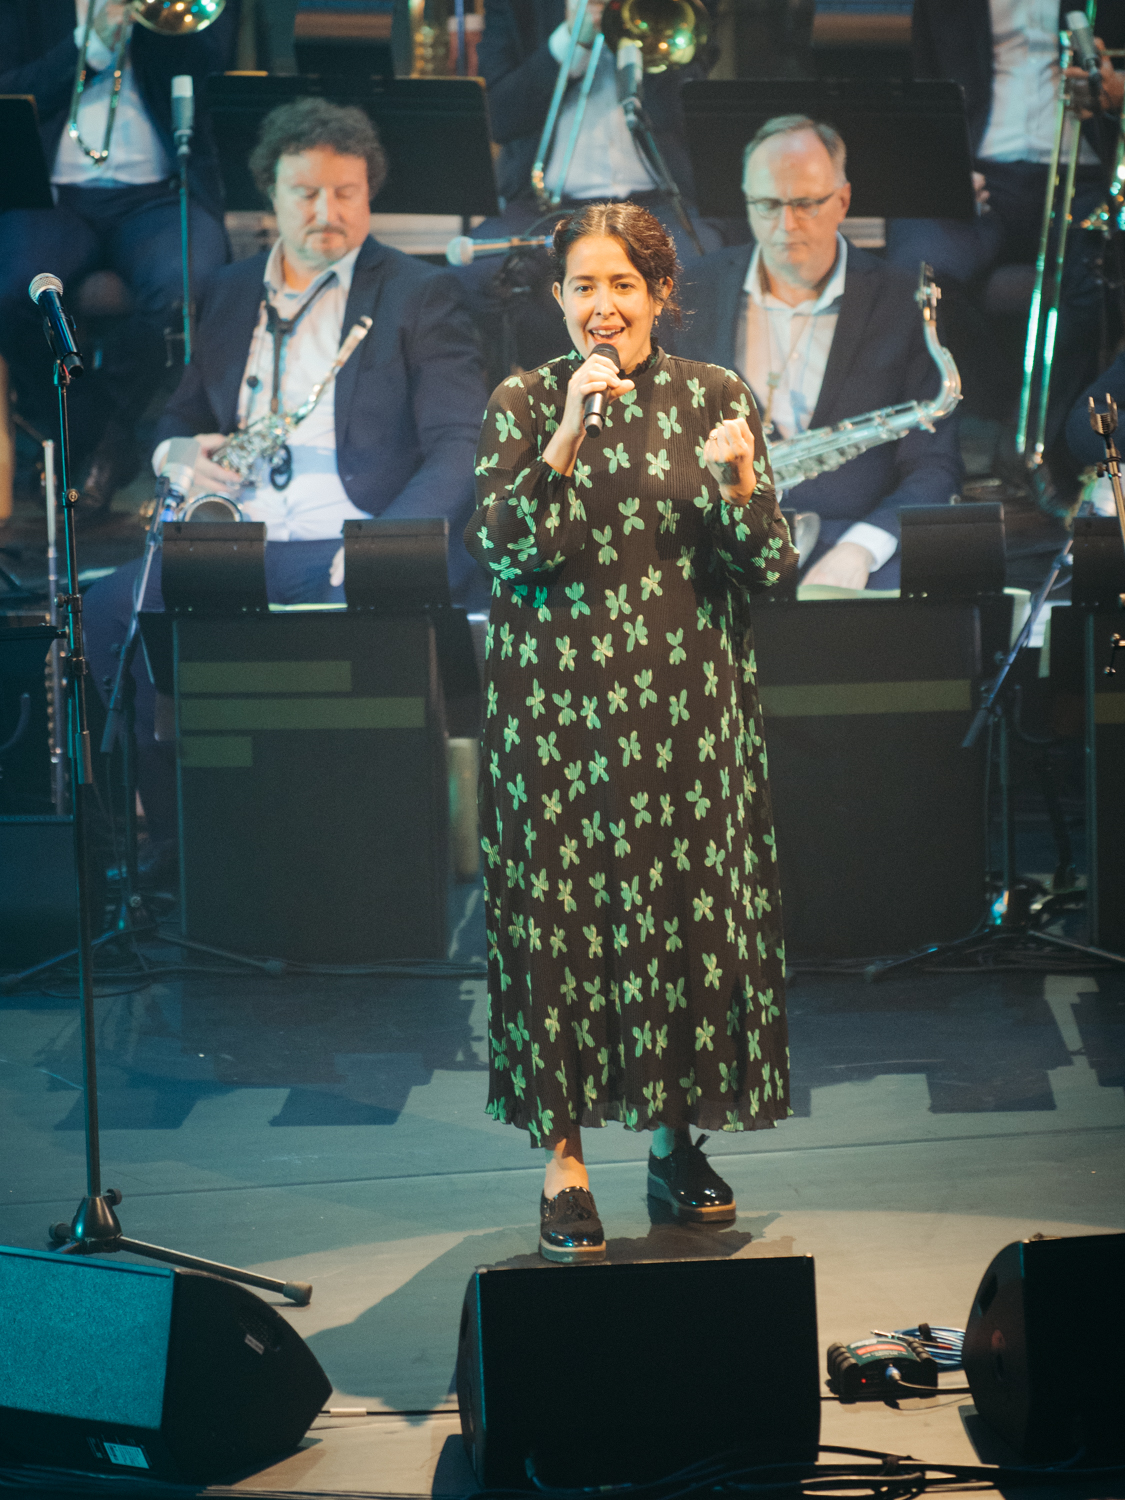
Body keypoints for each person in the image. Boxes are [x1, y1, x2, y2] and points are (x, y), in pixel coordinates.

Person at [465, 201, 796, 1262]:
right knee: (563, 932)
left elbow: (767, 566)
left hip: (687, 716)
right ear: (558, 299)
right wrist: (568, 430)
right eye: (583, 287)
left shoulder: (717, 396)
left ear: (659, 294)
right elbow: (507, 549)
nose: (602, 306)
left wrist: (739, 482)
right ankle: (564, 1163)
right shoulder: (524, 402)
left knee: (681, 923)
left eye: (621, 285)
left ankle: (672, 1142)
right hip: (557, 722)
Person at [83, 97, 488, 877]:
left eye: (346, 192)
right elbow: (180, 415)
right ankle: (179, 849)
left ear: (369, 194)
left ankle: (345, 856)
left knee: (344, 657)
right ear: (269, 193)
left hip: (350, 539)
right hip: (237, 536)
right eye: (305, 192)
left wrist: (379, 547)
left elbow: (459, 445)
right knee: (110, 614)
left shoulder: (418, 292)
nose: (326, 212)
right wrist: (173, 452)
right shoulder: (230, 289)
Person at [669, 115, 962, 591]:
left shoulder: (903, 301)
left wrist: (862, 548)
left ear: (842, 201)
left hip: (849, 540)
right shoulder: (695, 290)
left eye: (805, 203)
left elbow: (934, 465)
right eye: (767, 205)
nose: (786, 225)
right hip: (719, 536)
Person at [0, 0, 241, 511]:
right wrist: (90, 48)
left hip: (157, 193)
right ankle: (85, 430)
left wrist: (150, 27)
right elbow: (12, 91)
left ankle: (100, 431)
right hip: (52, 195)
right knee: (13, 289)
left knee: (190, 286)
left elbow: (212, 68)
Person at [889, 0, 1125, 493]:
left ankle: (1044, 449)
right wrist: (948, 163)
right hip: (982, 169)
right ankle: (984, 421)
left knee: (1093, 275)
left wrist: (1117, 91)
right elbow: (924, 86)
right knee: (918, 271)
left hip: (1084, 170)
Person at [457, 0, 720, 377]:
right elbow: (502, 117)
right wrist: (570, 41)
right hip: (546, 203)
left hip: (657, 199)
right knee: (476, 274)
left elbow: (680, 115)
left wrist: (647, 39)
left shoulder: (678, 8)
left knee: (700, 269)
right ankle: (540, 396)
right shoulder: (516, 6)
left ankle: (668, 399)